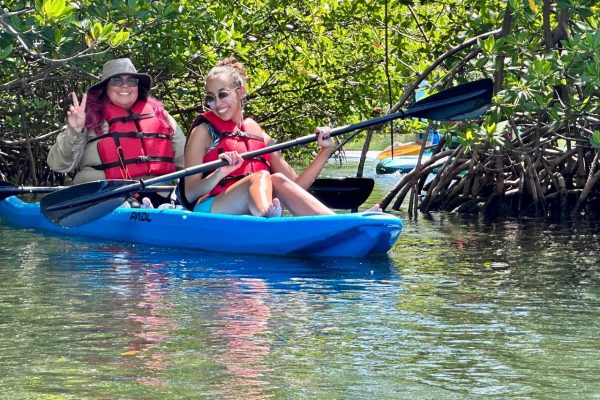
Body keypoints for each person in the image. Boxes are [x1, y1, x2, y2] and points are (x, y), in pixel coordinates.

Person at [179, 57, 342, 217]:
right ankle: (266, 218)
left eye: (223, 94)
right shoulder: (203, 132)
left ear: (241, 92)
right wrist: (219, 173)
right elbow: (190, 193)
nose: (217, 103)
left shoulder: (262, 138)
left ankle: (337, 222)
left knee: (278, 179)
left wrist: (325, 151)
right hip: (210, 210)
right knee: (260, 177)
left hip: (250, 211)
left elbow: (296, 187)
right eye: (210, 98)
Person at [47, 57, 186, 207]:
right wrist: (74, 131)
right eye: (117, 81)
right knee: (126, 204)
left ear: (138, 87)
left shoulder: (161, 116)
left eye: (131, 81)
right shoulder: (87, 118)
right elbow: (59, 165)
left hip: (156, 193)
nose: (125, 86)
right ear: (105, 88)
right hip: (103, 195)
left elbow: (187, 161)